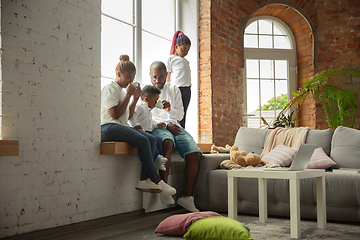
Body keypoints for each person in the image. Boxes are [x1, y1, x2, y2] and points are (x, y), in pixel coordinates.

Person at [100, 54, 176, 197]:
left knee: (152, 139)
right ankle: (157, 180)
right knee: (143, 139)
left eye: (133, 78)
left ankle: (144, 179)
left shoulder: (123, 92)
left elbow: (127, 117)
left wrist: (134, 98)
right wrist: (129, 96)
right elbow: (115, 115)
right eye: (128, 77)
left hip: (120, 127)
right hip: (107, 127)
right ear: (118, 74)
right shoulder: (110, 89)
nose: (131, 81)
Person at [150, 61, 202, 212]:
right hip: (159, 127)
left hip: (175, 125)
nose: (158, 80)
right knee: (167, 143)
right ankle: (164, 189)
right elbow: (144, 118)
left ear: (166, 75)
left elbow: (180, 115)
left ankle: (186, 197)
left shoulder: (174, 89)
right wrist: (166, 125)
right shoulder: (146, 92)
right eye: (154, 77)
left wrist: (169, 109)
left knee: (195, 154)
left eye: (161, 77)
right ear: (150, 76)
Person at [128, 85, 168, 171]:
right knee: (153, 139)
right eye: (155, 101)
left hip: (149, 130)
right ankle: (157, 157)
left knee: (158, 138)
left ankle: (160, 159)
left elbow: (149, 123)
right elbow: (132, 117)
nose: (156, 103)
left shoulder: (149, 110)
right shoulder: (140, 107)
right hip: (142, 131)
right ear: (146, 99)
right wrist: (134, 126)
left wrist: (157, 125)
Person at [166, 31, 192, 128]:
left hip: (187, 89)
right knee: (176, 111)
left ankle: (182, 130)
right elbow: (168, 76)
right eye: (184, 49)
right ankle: (174, 128)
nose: (186, 52)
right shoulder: (171, 59)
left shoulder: (186, 61)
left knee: (184, 112)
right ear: (176, 47)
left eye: (188, 50)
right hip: (177, 89)